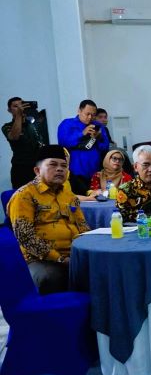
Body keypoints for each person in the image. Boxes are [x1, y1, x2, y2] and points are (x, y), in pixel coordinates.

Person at [7, 145, 90, 294]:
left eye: (64, 166)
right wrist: (60, 259)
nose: (59, 169)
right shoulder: (24, 195)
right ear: (37, 171)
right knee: (50, 277)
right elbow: (25, 236)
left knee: (105, 266)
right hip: (40, 258)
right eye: (53, 164)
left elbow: (83, 226)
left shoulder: (69, 196)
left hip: (73, 254)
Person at [57, 99, 110, 185]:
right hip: (74, 171)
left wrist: (98, 138)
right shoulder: (67, 124)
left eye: (93, 115)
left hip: (95, 172)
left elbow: (105, 148)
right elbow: (63, 143)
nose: (90, 117)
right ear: (79, 111)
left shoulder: (98, 126)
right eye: (87, 114)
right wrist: (82, 133)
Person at [2, 97, 44, 188]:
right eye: (15, 106)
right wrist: (19, 116)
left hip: (38, 167)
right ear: (9, 110)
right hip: (21, 168)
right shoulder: (7, 126)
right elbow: (14, 137)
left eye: (21, 105)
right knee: (21, 195)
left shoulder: (33, 124)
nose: (20, 108)